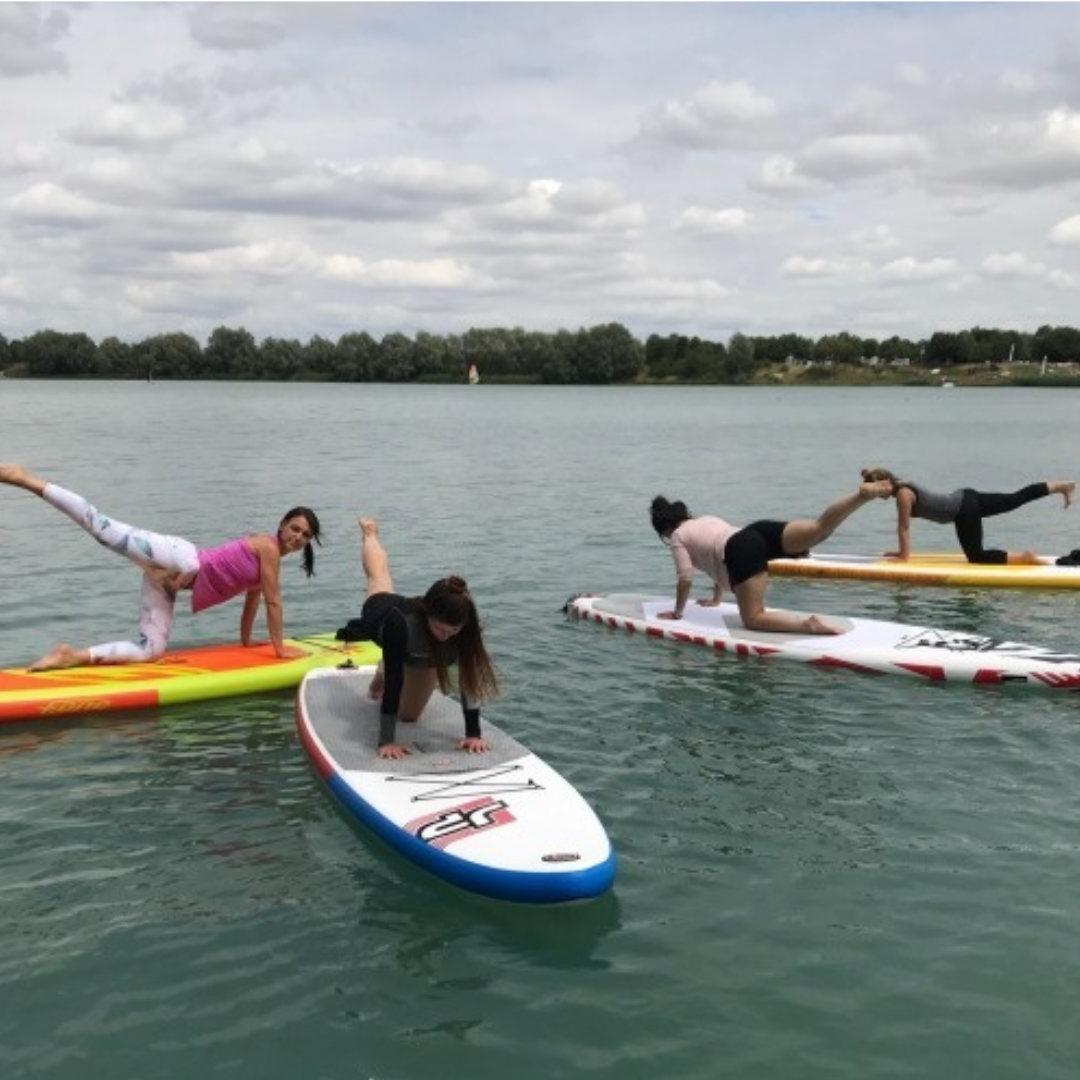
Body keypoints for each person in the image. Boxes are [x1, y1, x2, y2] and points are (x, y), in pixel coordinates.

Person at [0, 463, 321, 670]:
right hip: (180, 557)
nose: (298, 536)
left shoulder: (271, 558)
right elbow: (273, 601)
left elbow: (254, 599)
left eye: (305, 535)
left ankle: (71, 655)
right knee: (103, 529)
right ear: (281, 525)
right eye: (294, 528)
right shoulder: (267, 546)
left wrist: (248, 643)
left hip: (172, 580)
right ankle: (26, 479)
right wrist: (280, 650)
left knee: (150, 650)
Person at [336, 519, 499, 761]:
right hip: (382, 613)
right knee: (378, 576)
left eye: (452, 631)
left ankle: (386, 666)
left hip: (420, 652)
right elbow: (395, 681)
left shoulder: (467, 629)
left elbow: (469, 679)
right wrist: (387, 740)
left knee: (410, 716)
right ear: (427, 614)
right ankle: (370, 534)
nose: (446, 636)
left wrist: (473, 733)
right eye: (440, 629)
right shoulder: (401, 623)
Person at [649, 480, 892, 635]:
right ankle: (861, 496)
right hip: (757, 532)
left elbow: (685, 577)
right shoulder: (704, 520)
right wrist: (716, 598)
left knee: (754, 619)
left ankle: (809, 625)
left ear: (665, 528)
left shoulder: (678, 536)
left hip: (741, 550)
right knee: (820, 529)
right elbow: (715, 550)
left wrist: (677, 613)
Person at [859, 467, 1075, 564]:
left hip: (963, 510)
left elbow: (904, 528)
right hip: (966, 497)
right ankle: (1060, 486)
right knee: (1013, 499)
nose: (876, 495)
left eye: (876, 489)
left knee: (977, 557)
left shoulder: (903, 495)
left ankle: (1024, 557)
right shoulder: (903, 485)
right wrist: (900, 552)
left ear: (886, 484)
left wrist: (902, 556)